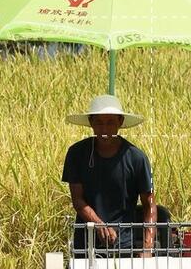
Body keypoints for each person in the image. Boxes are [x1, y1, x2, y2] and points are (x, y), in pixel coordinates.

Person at [61, 94, 156, 258]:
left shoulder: (136, 158)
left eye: (110, 123)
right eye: (99, 123)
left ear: (120, 122)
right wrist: (99, 225)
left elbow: (150, 203)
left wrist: (147, 247)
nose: (104, 130)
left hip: (124, 245)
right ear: (91, 123)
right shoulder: (77, 154)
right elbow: (77, 199)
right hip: (86, 243)